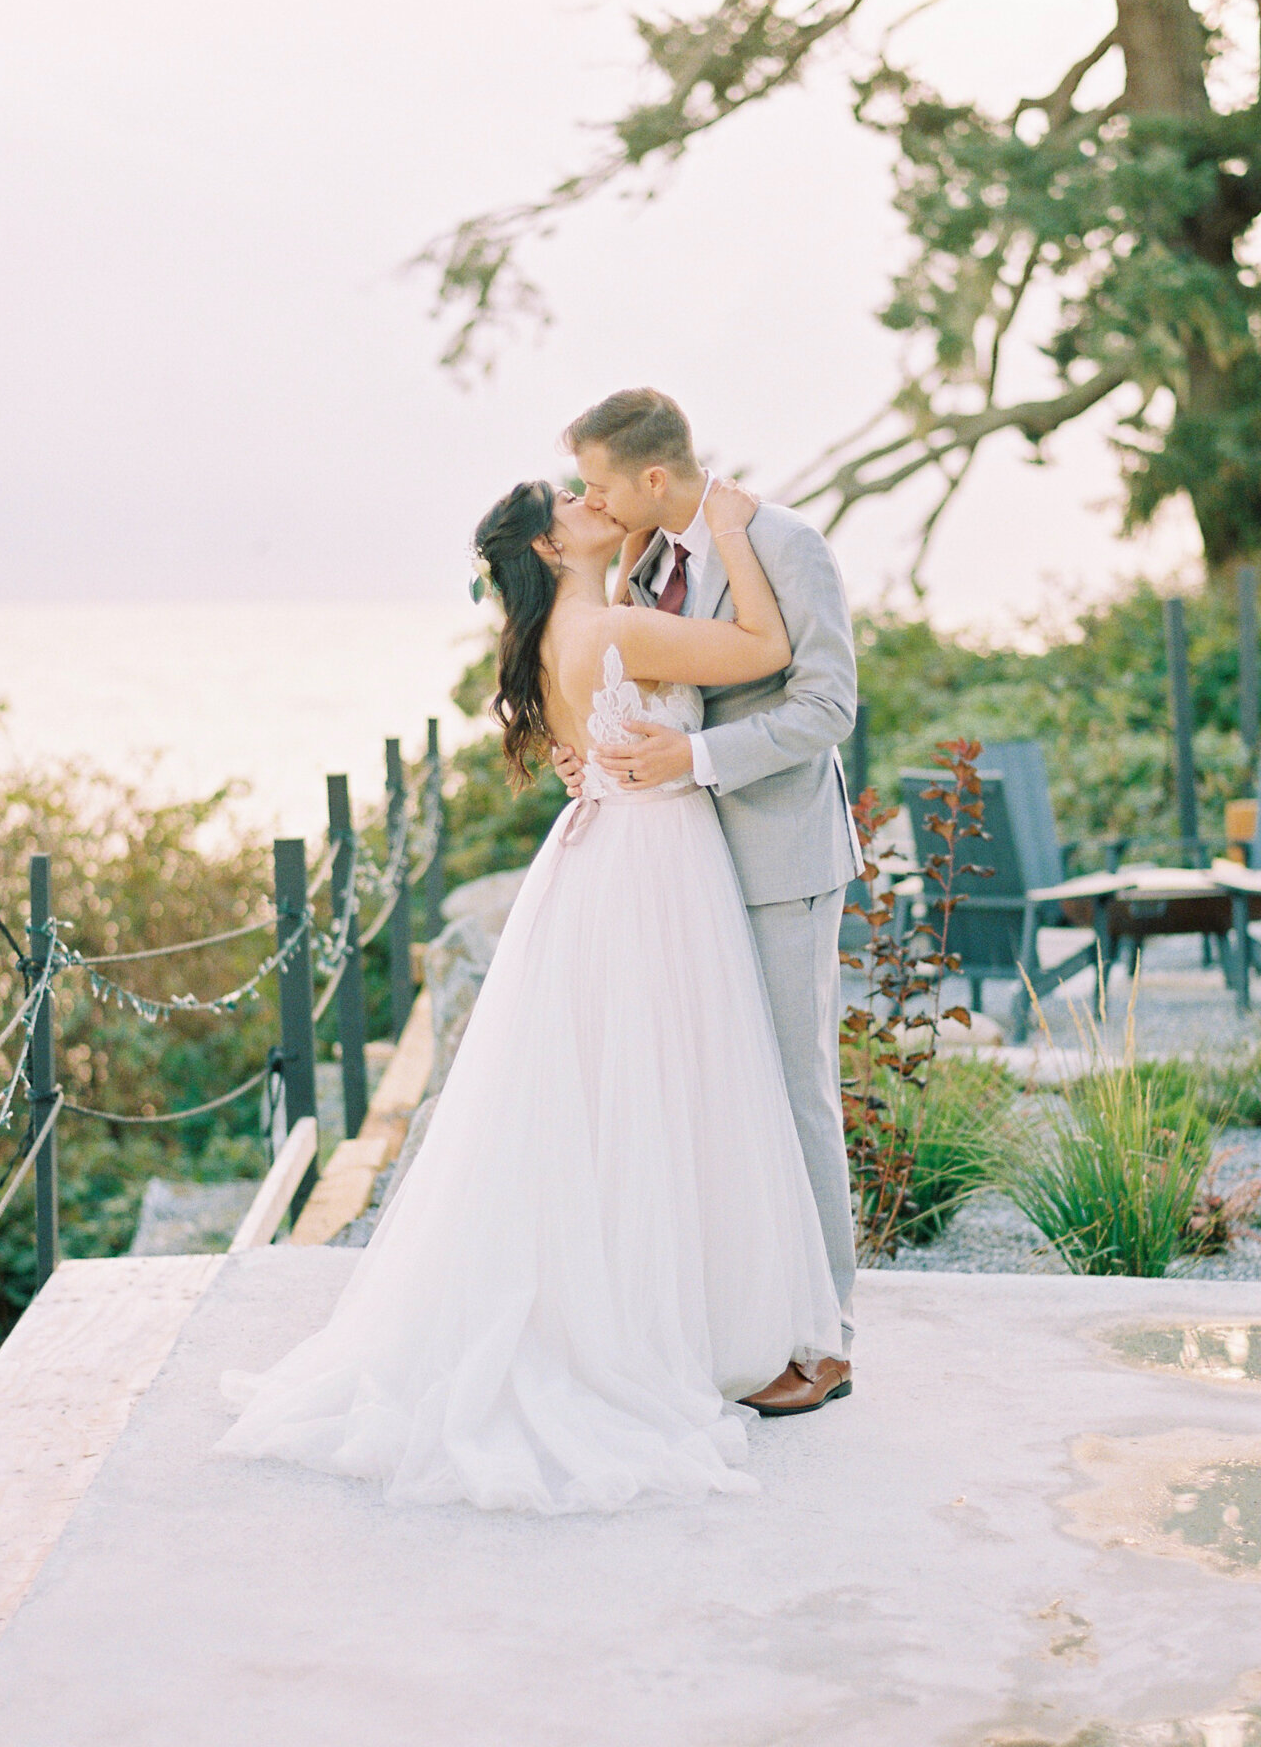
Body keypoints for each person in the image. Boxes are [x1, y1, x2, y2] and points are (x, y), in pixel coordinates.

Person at [217, 474, 842, 1514]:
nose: (590, 497)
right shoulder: (615, 626)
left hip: (607, 854)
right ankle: (662, 1324)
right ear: (552, 546)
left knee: (609, 1095)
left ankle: (635, 1306)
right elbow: (768, 651)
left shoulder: (575, 624)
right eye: (570, 497)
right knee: (660, 1085)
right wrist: (732, 531)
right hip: (652, 862)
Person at [558, 390, 862, 1415]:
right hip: (680, 873)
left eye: (598, 483)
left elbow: (827, 703)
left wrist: (693, 756)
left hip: (779, 861)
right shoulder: (642, 562)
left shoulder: (784, 541)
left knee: (790, 1089)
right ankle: (738, 1316)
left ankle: (828, 1334)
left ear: (651, 476)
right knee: (713, 1096)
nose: (588, 501)